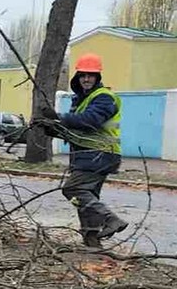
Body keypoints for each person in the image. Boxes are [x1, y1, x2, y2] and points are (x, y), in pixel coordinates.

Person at [40, 53, 128, 248]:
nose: (86, 79)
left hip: (100, 154)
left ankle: (110, 220)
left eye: (91, 75)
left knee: (73, 189)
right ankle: (92, 244)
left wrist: (59, 117)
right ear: (77, 77)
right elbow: (75, 131)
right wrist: (49, 126)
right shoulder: (79, 100)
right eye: (83, 75)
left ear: (98, 77)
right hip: (87, 155)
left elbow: (90, 121)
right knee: (86, 199)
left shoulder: (105, 98)